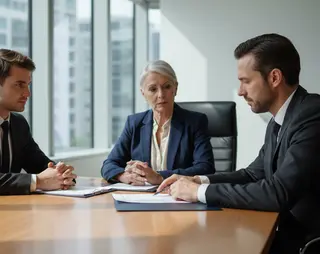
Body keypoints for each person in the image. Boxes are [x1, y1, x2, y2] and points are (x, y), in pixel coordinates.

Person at [157, 34, 320, 253]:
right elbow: (253, 174)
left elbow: (277, 193)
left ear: (274, 78)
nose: (241, 91)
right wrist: (197, 179)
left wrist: (198, 192)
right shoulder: (279, 122)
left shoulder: (312, 114)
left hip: (307, 242)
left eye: (246, 81)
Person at [101, 60, 215, 185]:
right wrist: (123, 176)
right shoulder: (134, 123)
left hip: (180, 197)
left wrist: (159, 177)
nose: (161, 94)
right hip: (143, 198)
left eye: (167, 87)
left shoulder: (195, 122)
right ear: (143, 93)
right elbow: (109, 164)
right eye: (153, 89)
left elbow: (205, 168)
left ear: (175, 88)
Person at [0, 48, 77, 195]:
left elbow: (39, 164)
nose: (27, 93)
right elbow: (40, 178)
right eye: (19, 84)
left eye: (28, 85)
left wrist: (61, 174)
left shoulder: (18, 124)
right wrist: (38, 181)